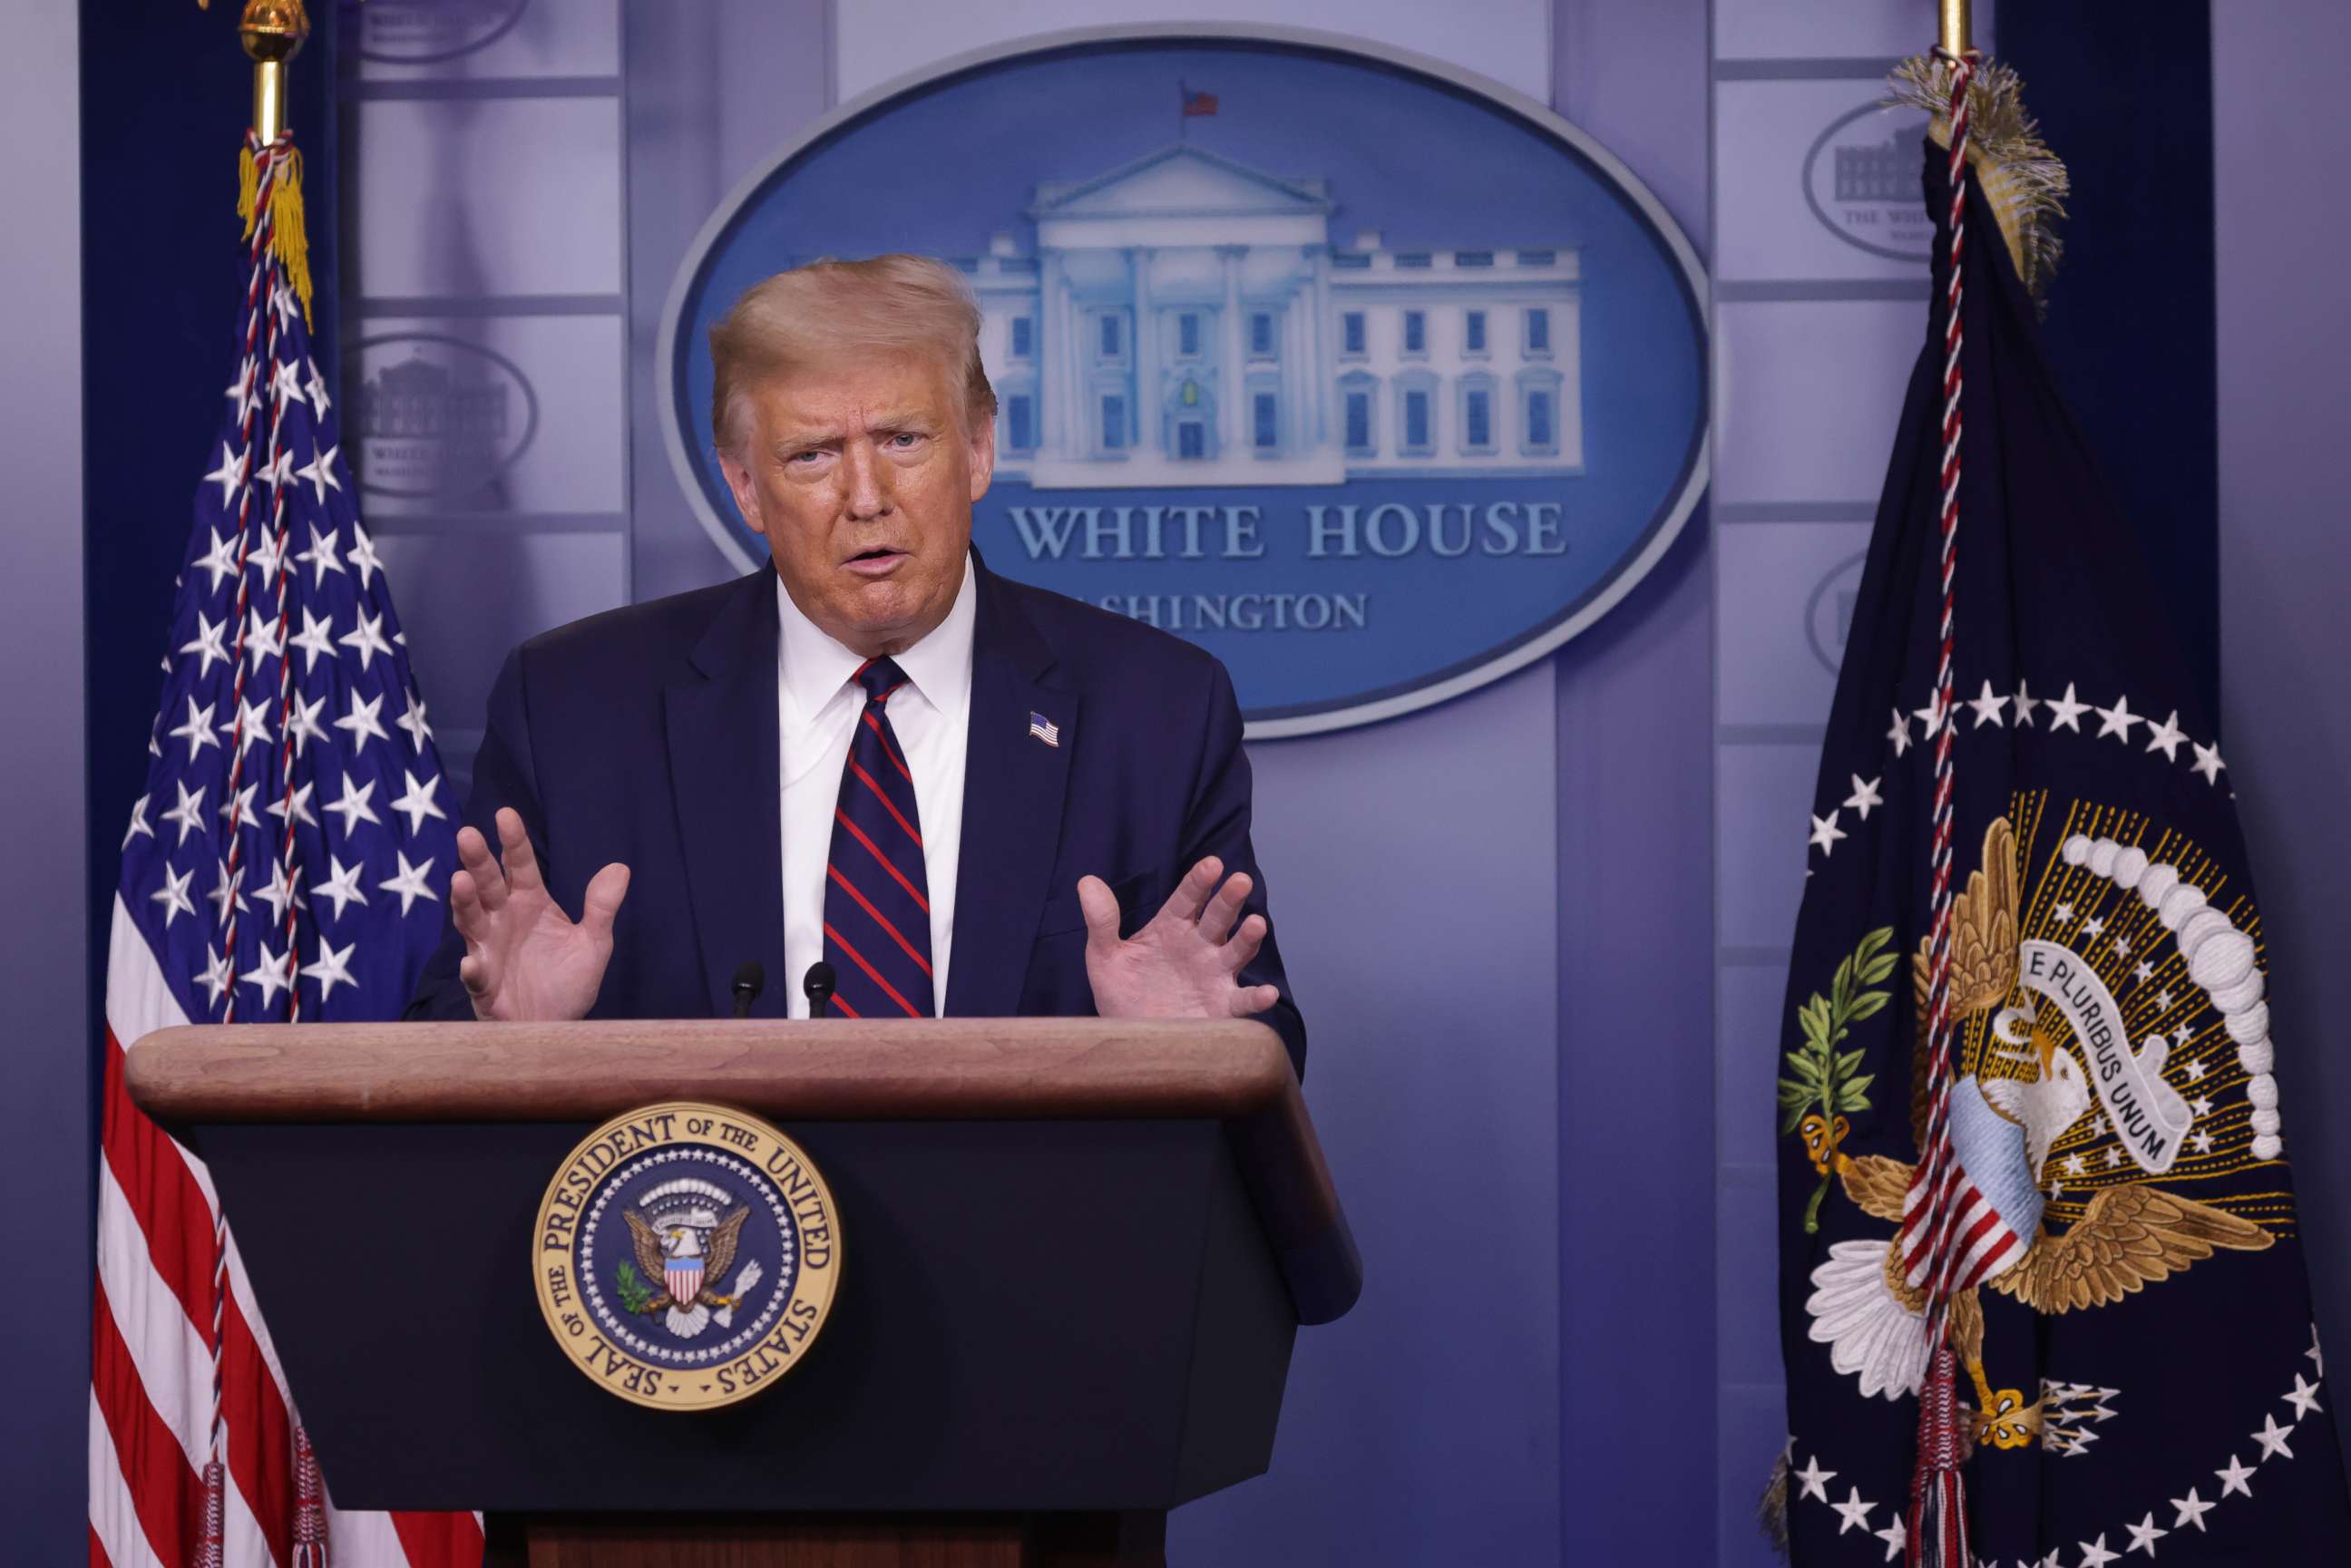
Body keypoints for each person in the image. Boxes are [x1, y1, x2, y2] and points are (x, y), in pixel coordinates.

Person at [406, 255, 1303, 1073]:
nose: (865, 498)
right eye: (814, 455)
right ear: (746, 486)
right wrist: (511, 1039)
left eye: (904, 440)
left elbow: (1257, 1040)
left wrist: (1193, 1055)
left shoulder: (1155, 712)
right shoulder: (577, 710)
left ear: (980, 450)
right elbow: (440, 1033)